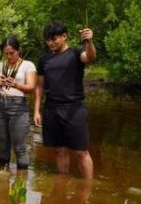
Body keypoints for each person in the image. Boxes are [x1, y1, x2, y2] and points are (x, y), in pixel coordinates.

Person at [34, 20, 96, 179]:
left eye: (54, 39)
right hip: (51, 109)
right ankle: (62, 182)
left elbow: (89, 57)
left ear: (64, 36)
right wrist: (36, 110)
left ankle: (88, 188)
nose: (50, 43)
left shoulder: (75, 53)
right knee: (59, 150)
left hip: (74, 108)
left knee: (81, 152)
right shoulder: (44, 60)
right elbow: (40, 86)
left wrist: (89, 41)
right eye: (48, 40)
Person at [0, 36, 37, 170]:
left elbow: (31, 87)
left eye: (12, 53)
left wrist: (16, 84)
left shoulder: (28, 65)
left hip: (18, 106)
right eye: (6, 54)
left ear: (19, 51)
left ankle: (21, 182)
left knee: (19, 147)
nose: (9, 56)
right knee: (3, 146)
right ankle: (2, 180)